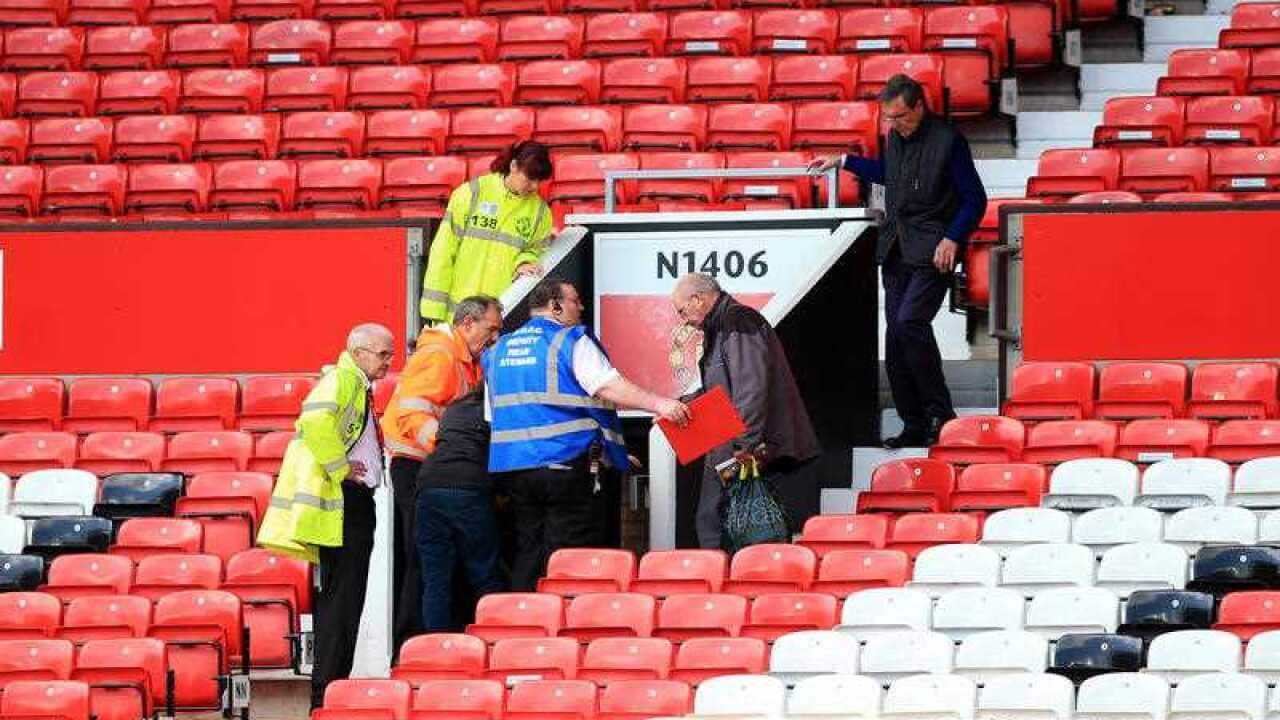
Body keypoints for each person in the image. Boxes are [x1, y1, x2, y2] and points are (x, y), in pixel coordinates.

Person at [809, 74, 988, 448]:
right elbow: (889, 175)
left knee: (910, 323)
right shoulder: (894, 138)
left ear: (919, 106)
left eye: (901, 116)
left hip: (933, 250)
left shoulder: (949, 140)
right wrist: (845, 161)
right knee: (895, 339)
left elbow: (975, 199)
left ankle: (941, 414)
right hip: (895, 249)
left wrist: (953, 238)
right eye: (889, 118)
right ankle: (914, 423)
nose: (894, 124)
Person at [485, 277, 692, 591]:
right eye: (574, 301)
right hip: (566, 464)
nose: (581, 307)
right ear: (555, 306)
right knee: (571, 557)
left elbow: (494, 415)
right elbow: (607, 386)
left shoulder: (497, 350)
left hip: (514, 469)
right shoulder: (570, 339)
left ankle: (526, 616)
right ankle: (567, 615)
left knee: (529, 553)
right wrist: (659, 403)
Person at [256, 323, 395, 710]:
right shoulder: (343, 379)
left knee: (344, 600)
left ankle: (331, 690)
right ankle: (328, 694)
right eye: (383, 354)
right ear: (358, 352)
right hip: (348, 503)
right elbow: (314, 422)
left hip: (352, 502)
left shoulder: (353, 382)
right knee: (343, 602)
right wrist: (341, 468)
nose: (389, 361)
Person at [380, 296, 502, 656]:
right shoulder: (440, 355)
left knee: (434, 562)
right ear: (467, 324)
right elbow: (412, 413)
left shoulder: (463, 359)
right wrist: (449, 450)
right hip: (418, 464)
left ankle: (431, 643)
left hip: (431, 467)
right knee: (423, 562)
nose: (495, 338)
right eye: (491, 329)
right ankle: (413, 646)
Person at [670, 273, 820, 550]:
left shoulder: (738, 321)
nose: (683, 319)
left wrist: (744, 446)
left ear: (697, 299)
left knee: (715, 521)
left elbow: (751, 389)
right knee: (718, 521)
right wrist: (680, 404)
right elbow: (725, 389)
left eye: (682, 311)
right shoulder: (723, 326)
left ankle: (732, 574)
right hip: (733, 444)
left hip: (739, 447)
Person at [420, 140, 555, 325]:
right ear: (513, 166)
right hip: (457, 315)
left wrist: (523, 261)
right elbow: (443, 251)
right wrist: (434, 311)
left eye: (539, 180)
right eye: (530, 178)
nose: (535, 186)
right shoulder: (471, 193)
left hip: (500, 315)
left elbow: (535, 251)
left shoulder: (540, 212)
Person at [415, 389, 503, 632]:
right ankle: (494, 636)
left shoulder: (454, 408)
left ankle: (436, 643)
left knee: (435, 578)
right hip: (468, 487)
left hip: (429, 485)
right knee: (484, 571)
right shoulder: (495, 409)